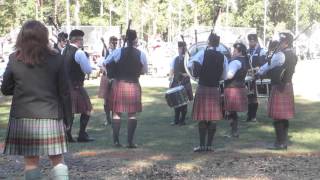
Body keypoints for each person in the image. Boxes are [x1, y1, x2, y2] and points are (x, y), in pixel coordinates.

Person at [1, 20, 71, 179]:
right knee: (58, 159)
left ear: (22, 38)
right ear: (44, 37)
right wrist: (68, 118)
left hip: (24, 117)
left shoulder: (14, 59)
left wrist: (22, 90)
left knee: (31, 162)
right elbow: (64, 92)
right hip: (51, 115)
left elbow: (5, 88)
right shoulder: (57, 58)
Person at [104, 29, 148, 148]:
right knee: (131, 114)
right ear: (135, 39)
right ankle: (130, 142)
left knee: (116, 114)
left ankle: (116, 141)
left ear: (125, 39)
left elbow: (105, 63)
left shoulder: (118, 52)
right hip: (133, 84)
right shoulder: (141, 54)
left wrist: (114, 70)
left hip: (119, 83)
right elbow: (145, 70)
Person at [256, 33, 297, 150]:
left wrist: (259, 72)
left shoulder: (280, 55)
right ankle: (283, 141)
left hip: (279, 87)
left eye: (281, 42)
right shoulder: (293, 55)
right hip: (288, 85)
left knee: (278, 117)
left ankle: (280, 143)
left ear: (286, 43)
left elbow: (268, 67)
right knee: (284, 117)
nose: (279, 44)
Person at [188, 33, 227, 152]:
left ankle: (202, 145)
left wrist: (197, 73)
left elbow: (191, 65)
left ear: (208, 42)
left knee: (202, 118)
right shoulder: (223, 57)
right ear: (218, 43)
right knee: (213, 119)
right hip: (215, 88)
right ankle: (209, 145)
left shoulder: (202, 53)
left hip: (203, 87)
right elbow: (224, 75)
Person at [62, 29, 94, 142]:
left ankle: (68, 135)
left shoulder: (63, 51)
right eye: (81, 39)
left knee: (68, 111)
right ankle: (82, 134)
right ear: (76, 40)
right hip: (76, 86)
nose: (82, 41)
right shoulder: (79, 53)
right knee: (87, 109)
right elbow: (88, 70)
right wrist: (88, 60)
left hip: (65, 86)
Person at [224, 42, 249, 138]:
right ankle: (233, 131)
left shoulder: (236, 62)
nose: (233, 52)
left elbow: (229, 75)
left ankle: (234, 132)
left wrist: (221, 76)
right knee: (232, 111)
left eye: (234, 50)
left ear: (240, 52)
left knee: (232, 111)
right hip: (239, 86)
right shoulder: (244, 60)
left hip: (232, 88)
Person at [169, 41, 193, 126]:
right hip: (176, 82)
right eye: (179, 48)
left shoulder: (189, 59)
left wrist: (184, 74)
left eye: (181, 48)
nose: (180, 50)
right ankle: (176, 120)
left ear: (184, 49)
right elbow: (172, 70)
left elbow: (191, 72)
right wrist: (170, 79)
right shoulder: (175, 59)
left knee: (184, 103)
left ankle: (182, 120)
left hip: (185, 83)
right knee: (176, 103)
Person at [246, 34, 267, 122]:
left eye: (253, 41)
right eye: (250, 41)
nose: (251, 42)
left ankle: (253, 116)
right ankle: (249, 115)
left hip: (256, 76)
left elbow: (263, 65)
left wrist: (254, 70)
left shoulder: (261, 51)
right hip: (248, 77)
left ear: (256, 41)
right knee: (248, 96)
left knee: (254, 97)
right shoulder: (247, 51)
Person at [98, 36, 118, 126]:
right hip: (107, 77)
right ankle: (107, 118)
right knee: (106, 100)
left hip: (115, 78)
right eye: (112, 42)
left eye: (115, 42)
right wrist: (104, 68)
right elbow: (101, 64)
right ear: (109, 43)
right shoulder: (106, 52)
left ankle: (114, 117)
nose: (114, 44)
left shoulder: (119, 52)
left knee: (115, 99)